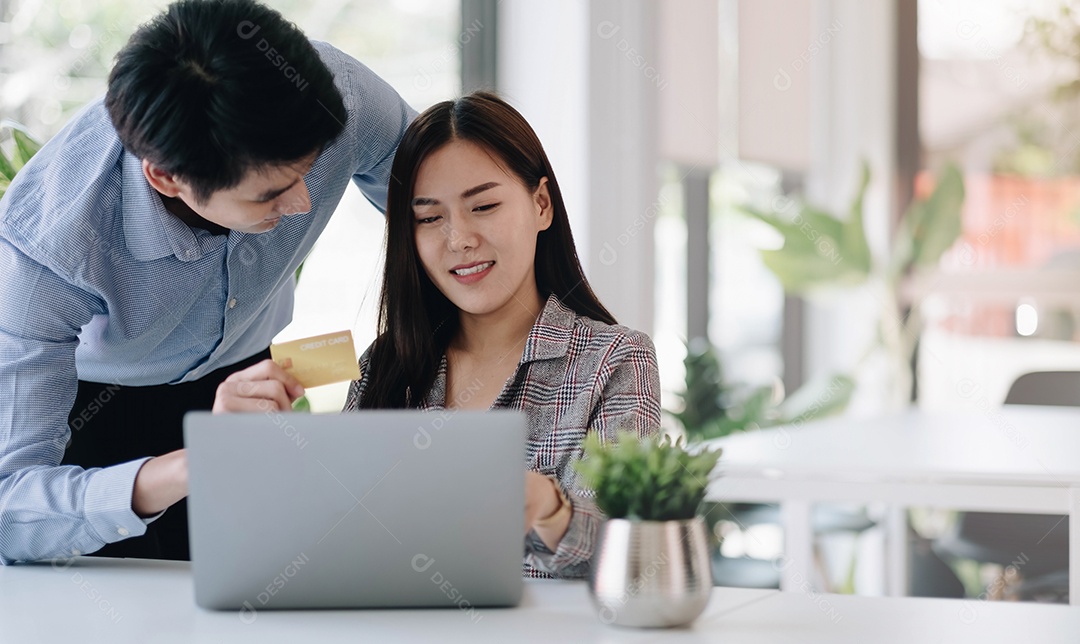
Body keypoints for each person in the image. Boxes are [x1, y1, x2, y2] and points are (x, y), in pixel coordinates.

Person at [0, 0, 415, 564]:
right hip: (102, 412)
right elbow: (12, 512)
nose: (304, 203)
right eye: (270, 193)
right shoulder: (47, 252)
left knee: (269, 577)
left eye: (308, 169)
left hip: (251, 376)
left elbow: (435, 195)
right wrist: (200, 458)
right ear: (167, 178)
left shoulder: (335, 95)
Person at [214, 91, 662, 579]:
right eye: (429, 218)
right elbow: (324, 543)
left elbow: (631, 554)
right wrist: (249, 449)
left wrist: (551, 510)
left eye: (484, 206)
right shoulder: (383, 365)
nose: (459, 239)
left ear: (541, 205)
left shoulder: (615, 361)